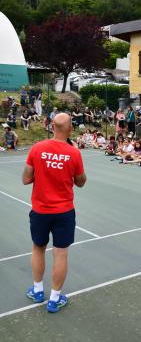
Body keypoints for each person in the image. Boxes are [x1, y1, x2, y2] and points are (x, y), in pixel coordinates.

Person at [23, 112, 87, 313]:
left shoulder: (37, 148)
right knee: (61, 254)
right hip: (64, 212)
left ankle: (37, 290)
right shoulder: (74, 153)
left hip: (40, 211)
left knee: (38, 248)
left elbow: (26, 179)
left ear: (52, 126)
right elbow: (81, 182)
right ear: (69, 129)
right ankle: (54, 299)